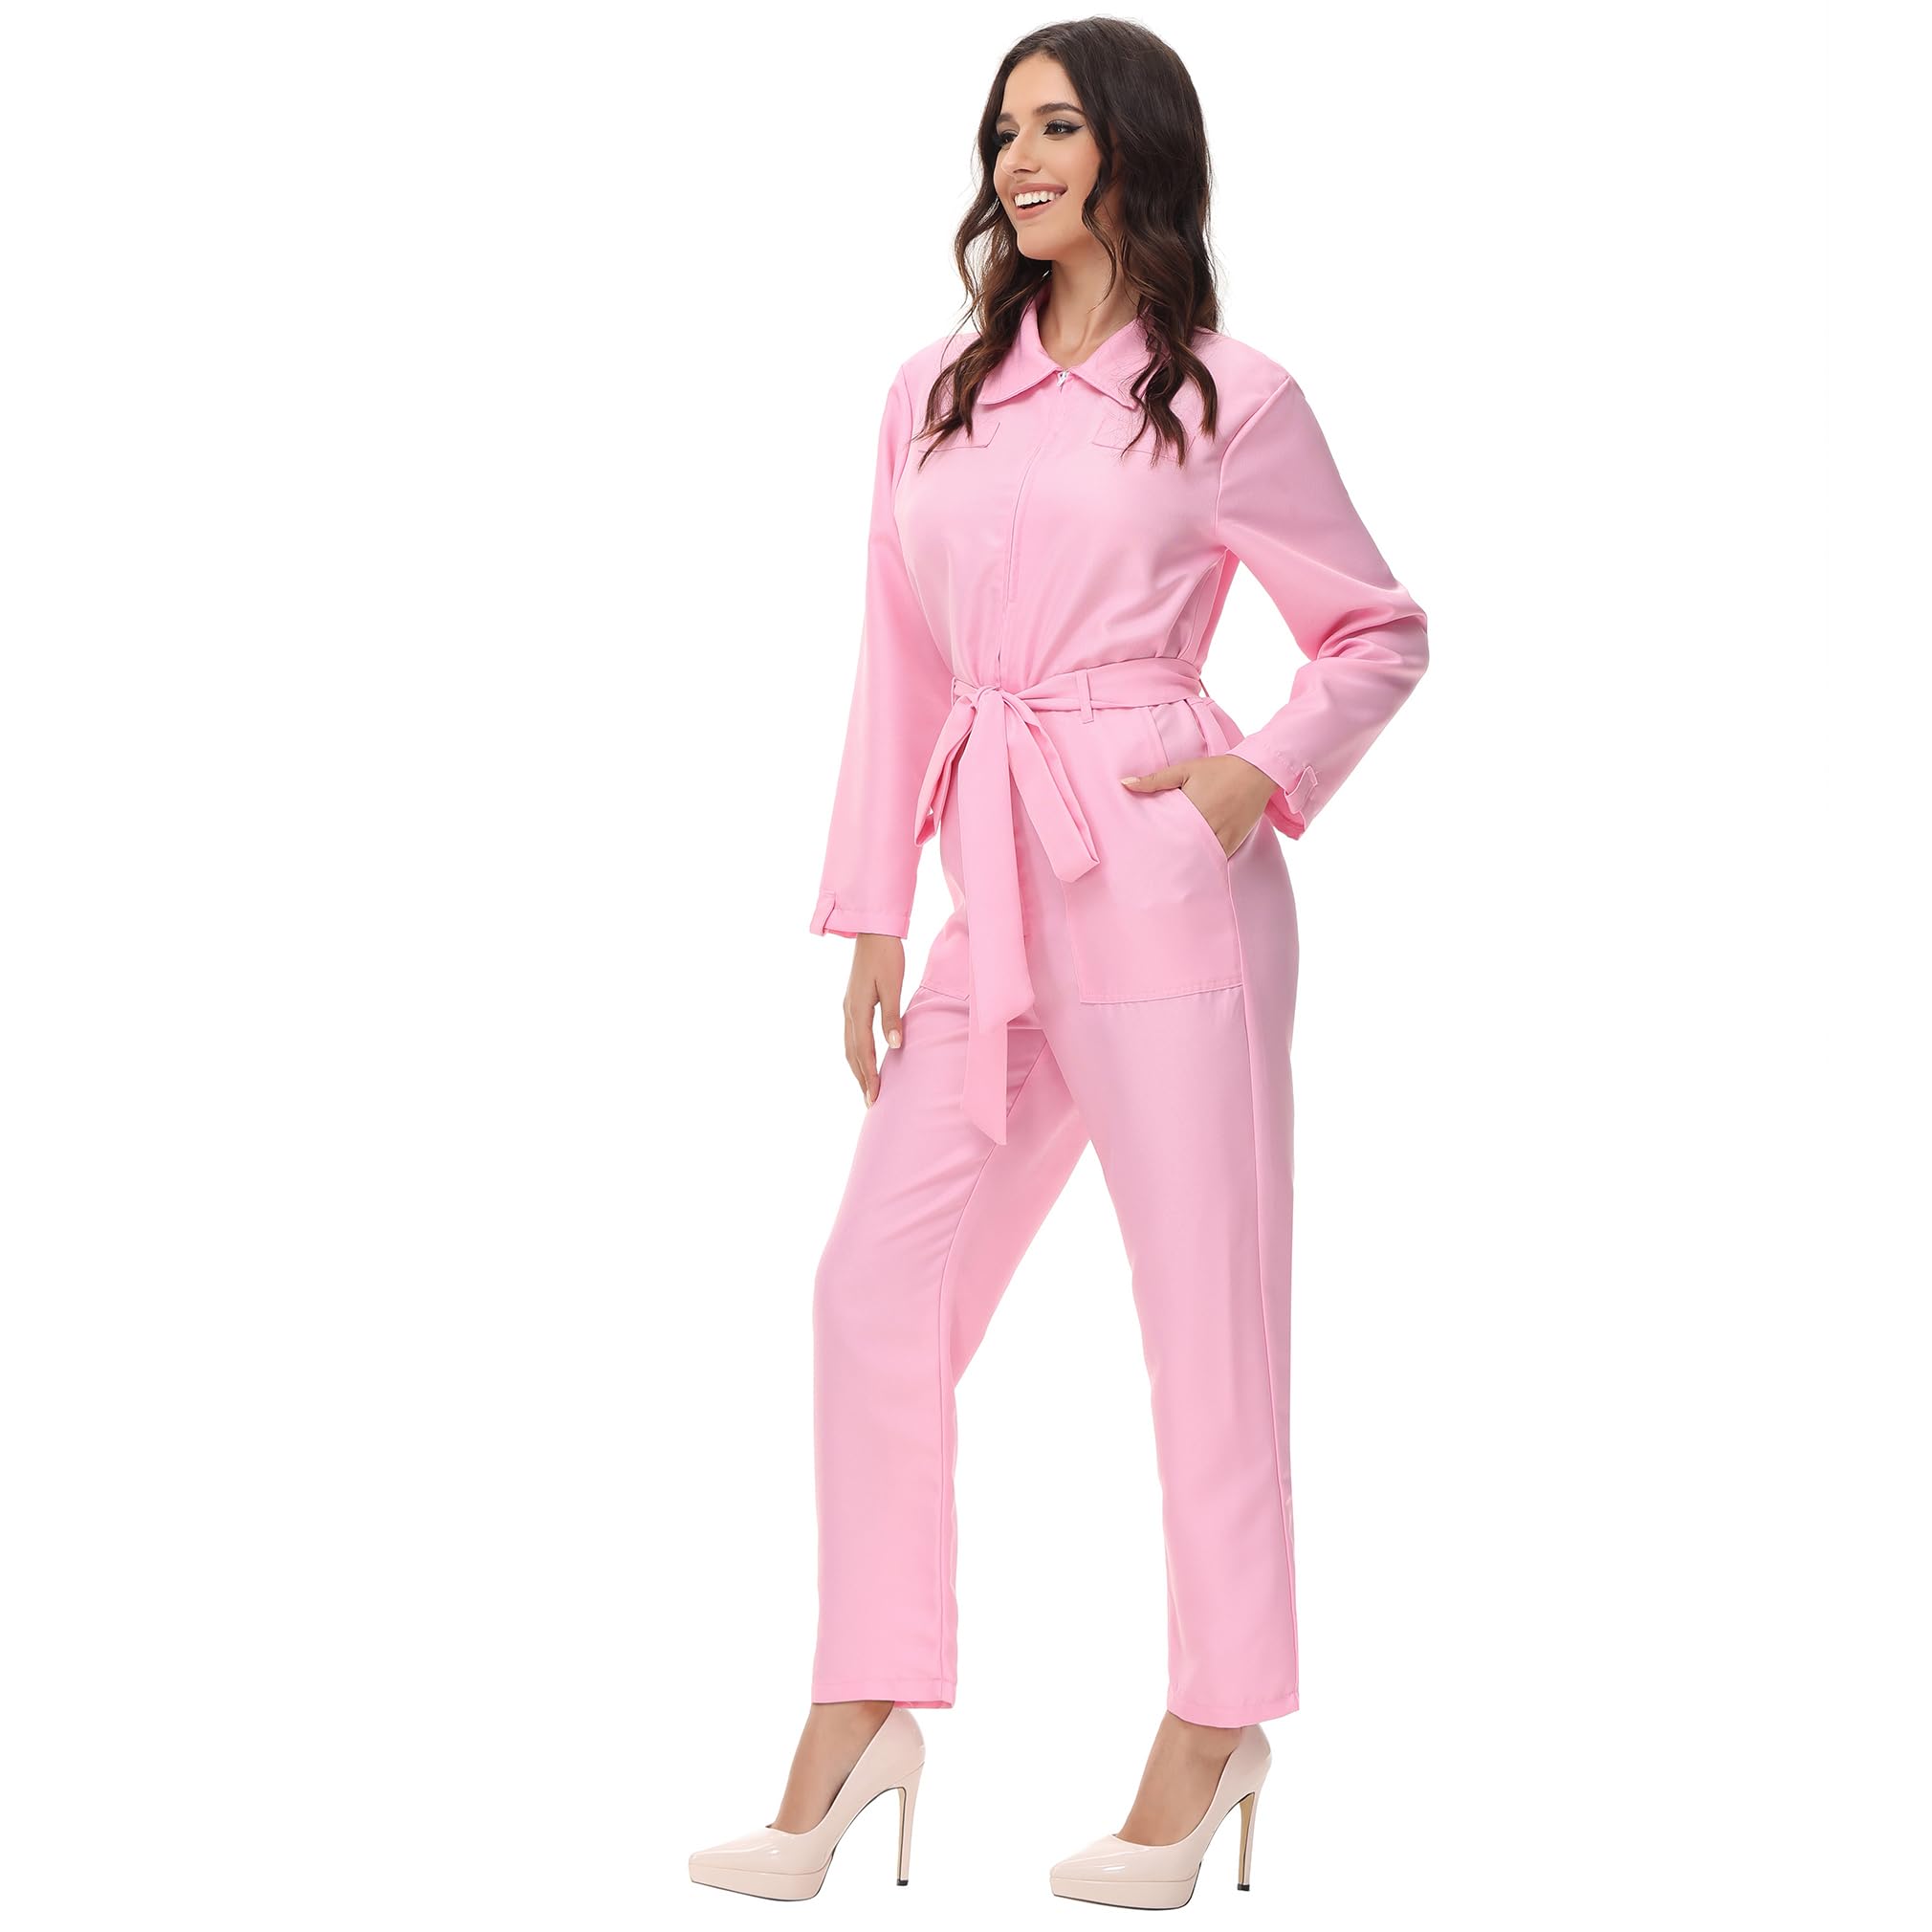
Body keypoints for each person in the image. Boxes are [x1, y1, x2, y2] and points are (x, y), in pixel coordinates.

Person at [690, 17, 1428, 1909]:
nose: (1019, 159)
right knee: (873, 1287)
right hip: (989, 894)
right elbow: (897, 656)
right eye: (1003, 129)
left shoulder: (1230, 396)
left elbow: (1371, 627)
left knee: (1204, 1320)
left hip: (1166, 879)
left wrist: (1253, 779)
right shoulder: (932, 393)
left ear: (1132, 154)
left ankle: (1213, 1723)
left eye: (1058, 127)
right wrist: (871, 903)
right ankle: (858, 1711)